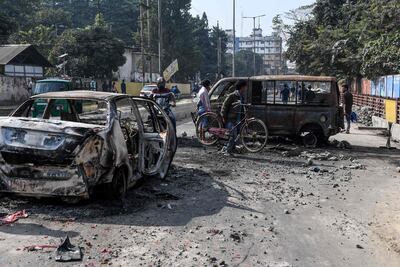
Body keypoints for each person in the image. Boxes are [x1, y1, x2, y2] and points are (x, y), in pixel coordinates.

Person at [220, 79, 248, 156]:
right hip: (231, 119)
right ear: (242, 87)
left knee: (237, 136)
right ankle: (227, 151)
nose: (246, 88)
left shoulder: (242, 96)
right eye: (245, 86)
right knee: (233, 135)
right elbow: (224, 107)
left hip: (238, 120)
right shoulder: (232, 96)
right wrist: (223, 117)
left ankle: (231, 149)